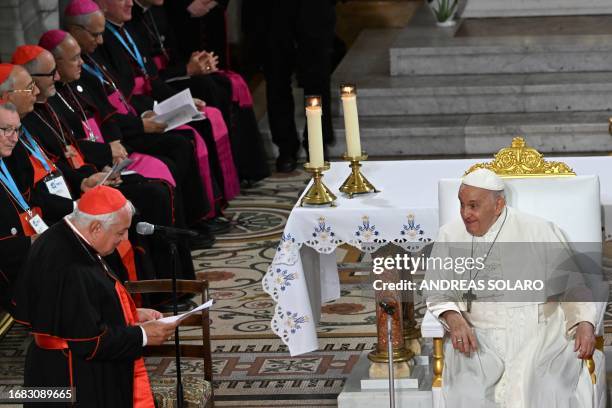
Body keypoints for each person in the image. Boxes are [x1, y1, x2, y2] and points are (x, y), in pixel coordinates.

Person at [424, 168, 599, 407]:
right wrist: (454, 319)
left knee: (549, 390)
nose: (465, 214)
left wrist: (585, 323)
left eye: (474, 206)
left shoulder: (539, 231)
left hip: (538, 337)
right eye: (462, 204)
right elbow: (436, 288)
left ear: (498, 205)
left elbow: (574, 284)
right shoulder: (450, 235)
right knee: (467, 394)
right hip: (477, 337)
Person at [15, 185, 178, 407]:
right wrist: (143, 335)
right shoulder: (72, 266)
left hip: (47, 368)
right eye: (120, 232)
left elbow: (78, 308)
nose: (125, 238)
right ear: (95, 227)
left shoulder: (60, 235)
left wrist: (127, 313)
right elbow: (90, 342)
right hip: (73, 379)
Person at [129, 0, 270, 185]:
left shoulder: (155, 12)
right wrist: (186, 70)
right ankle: (219, 180)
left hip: (165, 76)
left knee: (226, 83)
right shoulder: (130, 19)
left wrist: (196, 63)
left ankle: (245, 168)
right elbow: (148, 77)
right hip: (153, 88)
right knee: (206, 87)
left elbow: (172, 53)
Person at [263, 0, 337, 173]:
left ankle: (317, 143)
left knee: (317, 78)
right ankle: (285, 147)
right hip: (271, 10)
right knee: (276, 77)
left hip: (314, 8)